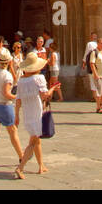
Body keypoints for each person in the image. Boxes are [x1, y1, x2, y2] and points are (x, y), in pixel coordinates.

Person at [14, 51, 58, 179]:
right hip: (37, 112)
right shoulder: (39, 78)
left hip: (27, 113)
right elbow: (45, 95)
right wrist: (53, 88)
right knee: (32, 142)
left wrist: (16, 115)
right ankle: (20, 168)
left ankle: (41, 166)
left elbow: (18, 99)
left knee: (36, 139)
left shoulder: (21, 81)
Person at [88, 38, 102, 113]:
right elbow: (92, 63)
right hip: (98, 75)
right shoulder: (94, 52)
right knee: (99, 92)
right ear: (98, 44)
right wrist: (95, 74)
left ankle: (99, 104)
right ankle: (98, 108)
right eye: (101, 43)